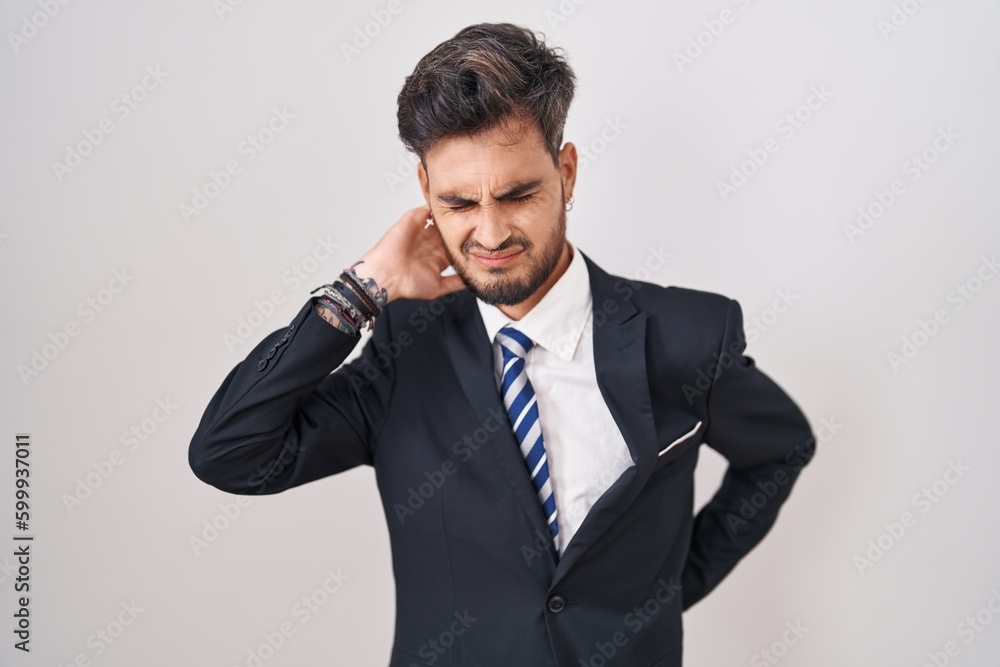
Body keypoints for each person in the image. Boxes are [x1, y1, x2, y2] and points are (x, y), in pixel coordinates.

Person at [188, 22, 816, 667]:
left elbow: (781, 448)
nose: (490, 234)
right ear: (425, 192)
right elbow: (230, 454)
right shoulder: (404, 354)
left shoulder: (686, 337)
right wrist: (357, 293)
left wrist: (666, 591)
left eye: (518, 194)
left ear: (566, 173)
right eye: (459, 203)